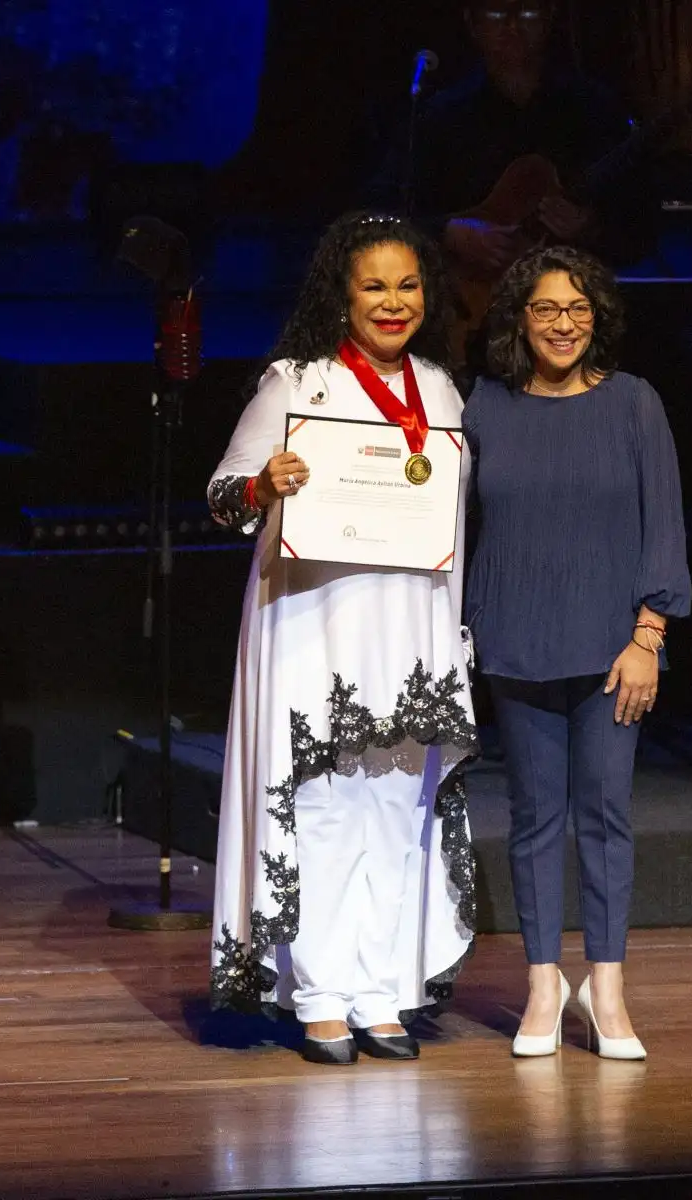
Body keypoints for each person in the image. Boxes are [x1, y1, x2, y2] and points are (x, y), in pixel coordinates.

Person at [205, 212, 479, 1066]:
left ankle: (383, 991)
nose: (393, 303)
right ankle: (320, 996)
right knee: (322, 810)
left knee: (398, 809)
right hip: (315, 627)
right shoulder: (297, 383)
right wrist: (263, 481)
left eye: (408, 286)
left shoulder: (441, 390)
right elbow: (221, 496)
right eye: (374, 287)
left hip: (413, 629)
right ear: (342, 295)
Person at [462, 246, 690, 1059]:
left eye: (579, 308)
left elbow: (663, 524)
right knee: (532, 819)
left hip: (610, 649)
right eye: (547, 309)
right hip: (517, 637)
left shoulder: (634, 405)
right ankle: (541, 984)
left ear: (598, 317)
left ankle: (609, 986)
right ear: (519, 319)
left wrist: (648, 638)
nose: (564, 323)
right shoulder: (484, 407)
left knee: (604, 814)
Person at [369, 1, 653, 368]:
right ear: (473, 23)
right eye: (497, 15)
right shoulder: (441, 117)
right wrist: (450, 232)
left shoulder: (594, 110)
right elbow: (378, 210)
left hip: (574, 332)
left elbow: (641, 226)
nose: (513, 28)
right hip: (468, 331)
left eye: (529, 14)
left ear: (550, 20)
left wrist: (590, 226)